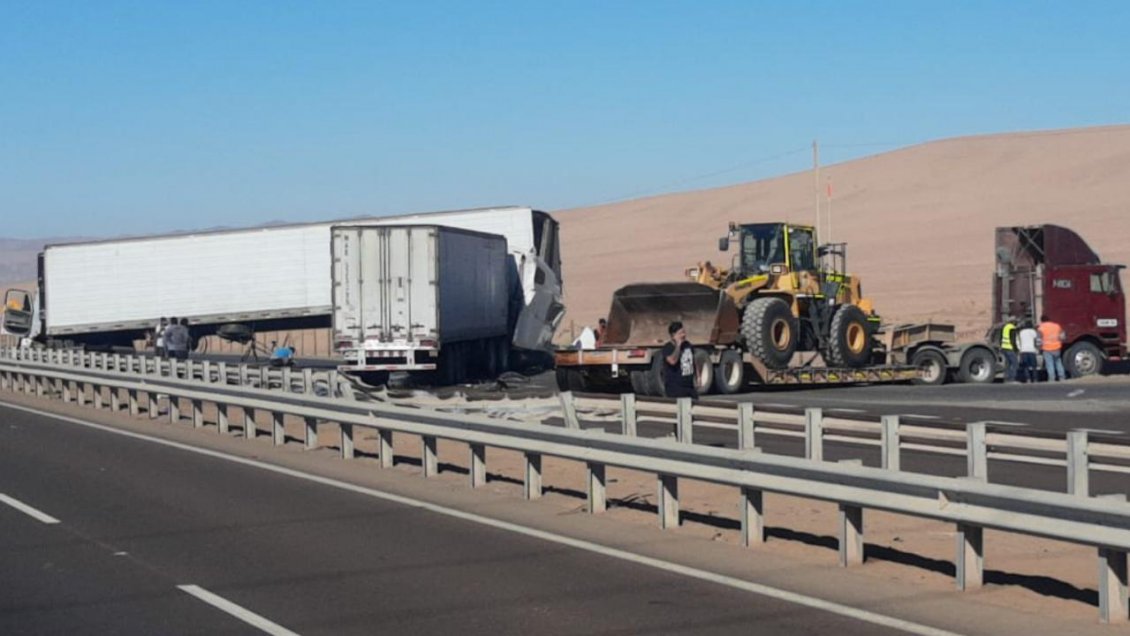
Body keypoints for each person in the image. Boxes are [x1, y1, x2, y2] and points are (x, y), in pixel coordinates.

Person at [661, 321, 698, 399]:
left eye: (684, 332)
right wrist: (678, 346)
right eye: (680, 333)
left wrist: (697, 377)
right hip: (675, 388)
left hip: (689, 386)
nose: (683, 335)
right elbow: (672, 361)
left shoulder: (688, 345)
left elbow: (693, 361)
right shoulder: (668, 347)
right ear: (673, 336)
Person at [1037, 314, 1067, 381]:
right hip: (1057, 347)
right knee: (1058, 362)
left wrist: (1039, 348)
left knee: (1049, 364)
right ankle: (1062, 377)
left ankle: (1052, 378)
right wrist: (1060, 342)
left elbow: (1038, 340)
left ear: (1042, 321)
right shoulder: (1056, 326)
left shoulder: (1041, 328)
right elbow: (1063, 336)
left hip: (1047, 349)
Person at [999, 316, 1018, 383]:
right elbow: (1013, 340)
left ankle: (1006, 378)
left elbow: (1000, 338)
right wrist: (1016, 349)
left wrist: (1001, 346)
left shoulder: (1004, 327)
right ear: (1013, 322)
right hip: (1010, 348)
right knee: (1015, 363)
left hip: (1004, 348)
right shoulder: (1012, 328)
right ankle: (1012, 378)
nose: (1016, 322)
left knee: (1007, 363)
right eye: (1015, 321)